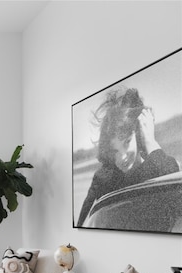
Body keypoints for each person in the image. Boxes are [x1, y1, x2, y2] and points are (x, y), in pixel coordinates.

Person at [77, 87, 179, 226]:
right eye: (114, 151)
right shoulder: (105, 178)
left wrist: (150, 141)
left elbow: (175, 187)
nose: (122, 157)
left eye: (126, 142)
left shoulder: (158, 165)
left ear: (138, 134)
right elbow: (86, 212)